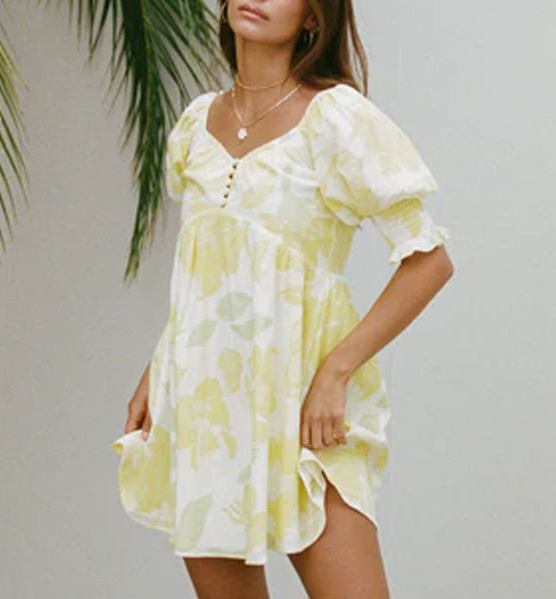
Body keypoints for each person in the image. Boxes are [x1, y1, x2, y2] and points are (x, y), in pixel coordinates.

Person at [112, 0, 454, 597]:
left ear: (313, 18)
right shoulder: (195, 125)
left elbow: (429, 262)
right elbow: (208, 272)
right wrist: (158, 367)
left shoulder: (337, 119)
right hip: (206, 403)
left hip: (306, 407)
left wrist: (337, 372)